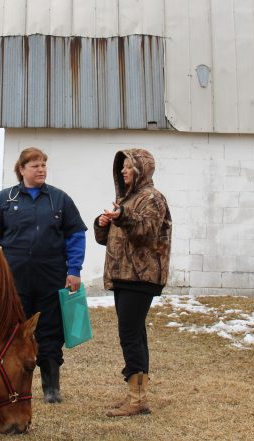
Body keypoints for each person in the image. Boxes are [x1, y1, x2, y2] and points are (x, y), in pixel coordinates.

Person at [0, 147, 87, 404]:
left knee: (50, 331)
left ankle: (51, 388)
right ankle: (13, 384)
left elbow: (75, 236)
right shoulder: (4, 200)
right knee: (14, 332)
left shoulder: (59, 199)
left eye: (43, 165)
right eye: (35, 166)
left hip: (51, 277)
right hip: (14, 279)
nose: (41, 169)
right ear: (22, 169)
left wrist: (74, 270)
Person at [93, 148, 171, 417]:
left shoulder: (152, 198)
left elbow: (146, 233)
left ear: (141, 169)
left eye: (129, 167)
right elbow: (110, 240)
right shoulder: (126, 199)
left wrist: (122, 217)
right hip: (124, 275)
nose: (124, 171)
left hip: (141, 276)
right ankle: (137, 397)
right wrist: (104, 223)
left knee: (129, 334)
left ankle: (137, 400)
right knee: (135, 333)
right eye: (122, 167)